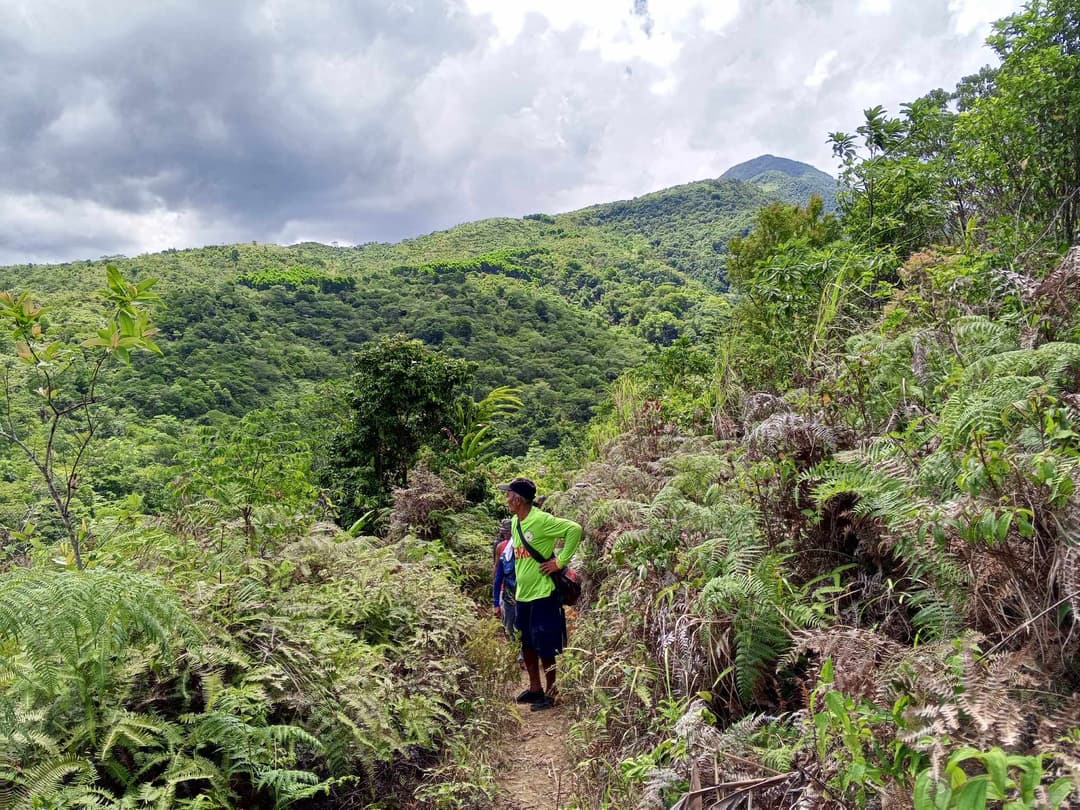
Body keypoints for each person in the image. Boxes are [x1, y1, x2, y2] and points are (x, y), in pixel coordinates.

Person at [497, 476, 583, 711]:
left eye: (508, 495)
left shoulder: (541, 520)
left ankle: (553, 692)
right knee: (527, 643)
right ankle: (535, 688)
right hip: (523, 596)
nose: (506, 499)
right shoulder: (515, 522)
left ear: (518, 499)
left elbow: (574, 529)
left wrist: (560, 561)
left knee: (545, 645)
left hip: (543, 594)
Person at [492, 518, 517, 641]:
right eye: (503, 532)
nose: (505, 534)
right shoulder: (500, 546)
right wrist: (495, 601)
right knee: (507, 622)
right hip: (506, 589)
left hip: (521, 591)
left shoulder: (522, 546)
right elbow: (497, 569)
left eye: (507, 531)